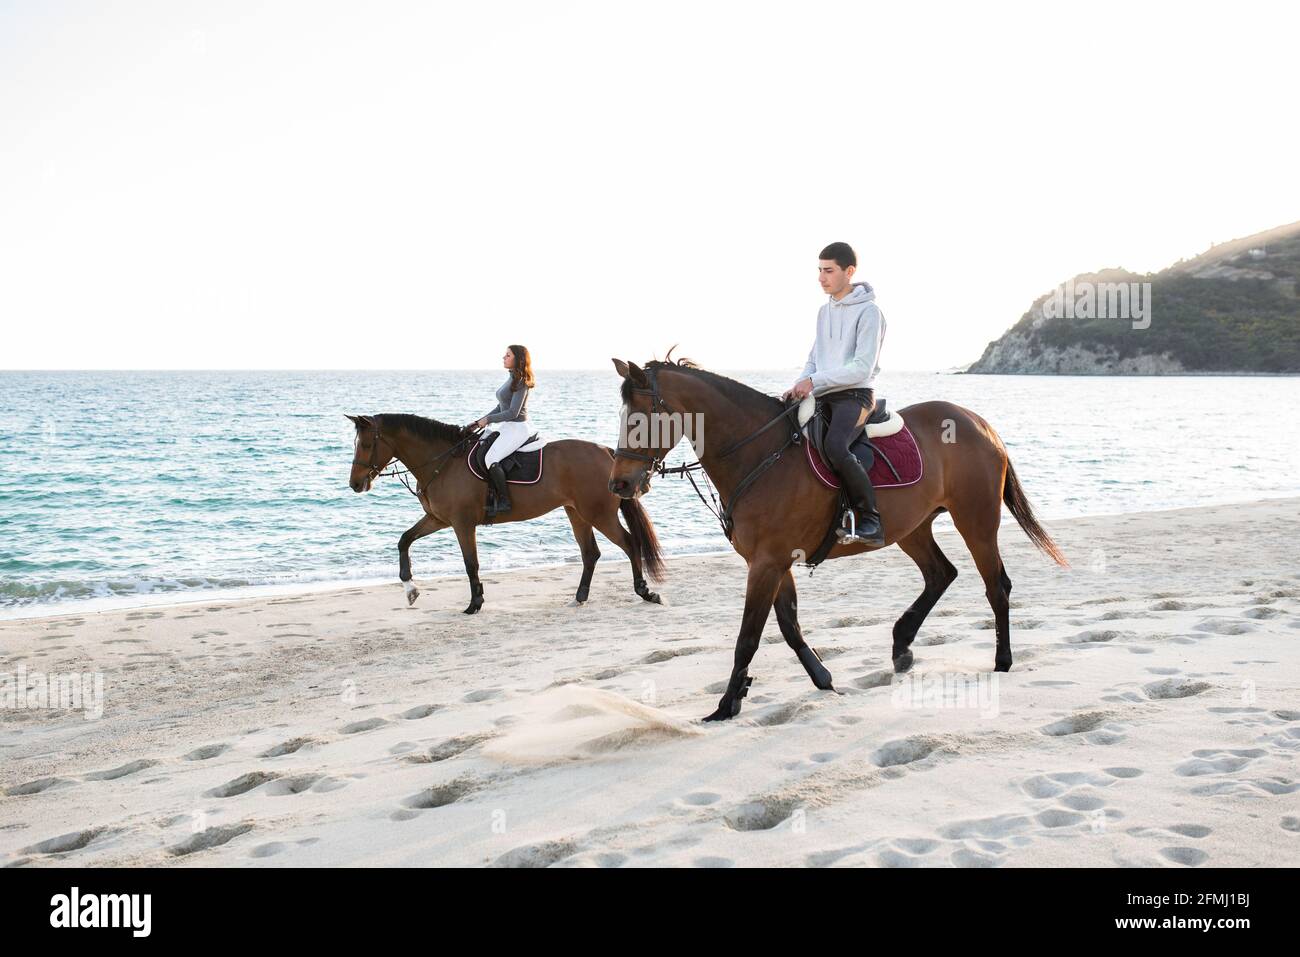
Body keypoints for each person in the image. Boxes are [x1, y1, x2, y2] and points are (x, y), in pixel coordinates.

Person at [781, 242, 887, 545]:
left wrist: (814, 381)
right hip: (824, 394)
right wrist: (799, 384)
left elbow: (862, 368)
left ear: (849, 271)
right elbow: (814, 359)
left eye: (828, 270)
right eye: (819, 270)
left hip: (856, 396)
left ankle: (870, 520)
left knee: (836, 445)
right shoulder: (823, 312)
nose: (821, 277)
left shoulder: (870, 312)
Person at [466, 344, 535, 516]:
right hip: (508, 426)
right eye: (505, 355)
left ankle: (505, 501)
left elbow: (513, 412)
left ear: (518, 359)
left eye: (508, 355)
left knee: (491, 458)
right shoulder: (511, 378)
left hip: (518, 428)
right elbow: (501, 406)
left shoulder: (521, 381)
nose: (503, 357)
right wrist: (479, 421)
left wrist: (488, 419)